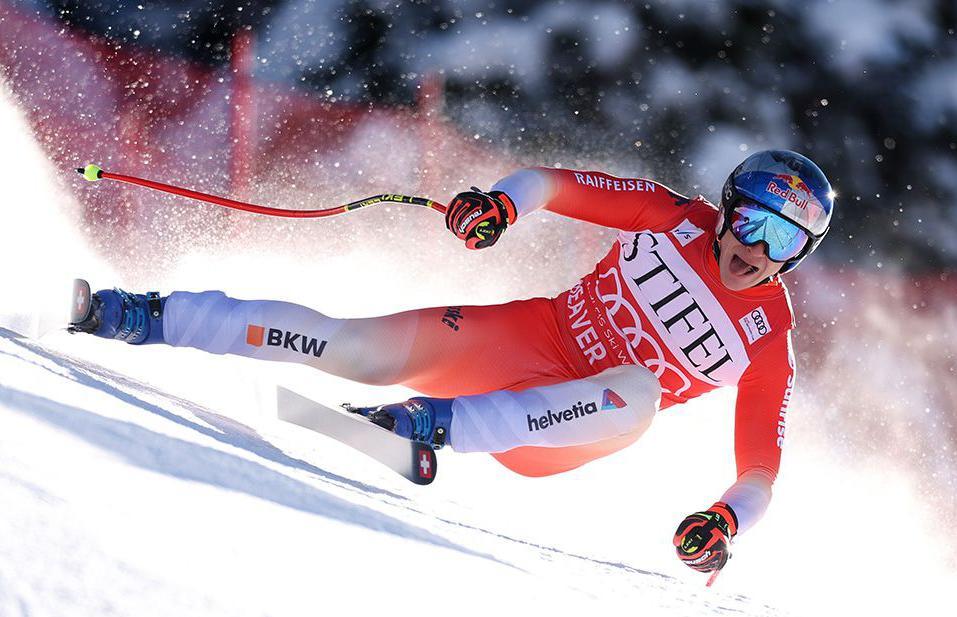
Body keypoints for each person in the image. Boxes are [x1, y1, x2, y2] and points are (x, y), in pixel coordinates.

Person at [69, 149, 834, 576]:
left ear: (800, 254)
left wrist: (723, 520)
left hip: (559, 425)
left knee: (636, 393)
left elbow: (761, 465)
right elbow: (554, 184)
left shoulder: (766, 335)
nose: (756, 250)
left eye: (784, 242)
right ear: (728, 208)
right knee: (353, 347)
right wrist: (499, 205)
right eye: (752, 222)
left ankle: (431, 428)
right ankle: (142, 314)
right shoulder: (672, 216)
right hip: (519, 339)